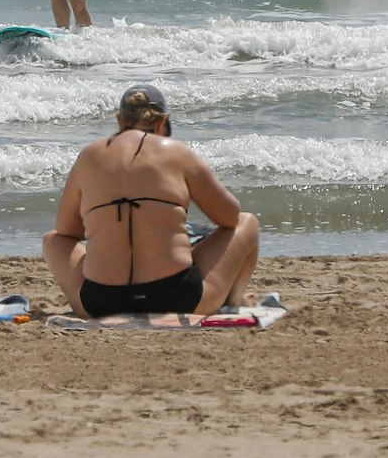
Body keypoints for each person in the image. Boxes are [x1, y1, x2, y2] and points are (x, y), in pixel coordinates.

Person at [42, 85, 261, 318]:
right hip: (179, 298)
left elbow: (67, 230)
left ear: (119, 120)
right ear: (162, 122)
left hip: (100, 301)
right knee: (247, 223)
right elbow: (229, 217)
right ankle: (235, 299)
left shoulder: (88, 156)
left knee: (53, 240)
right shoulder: (178, 153)